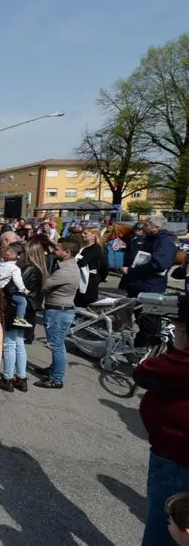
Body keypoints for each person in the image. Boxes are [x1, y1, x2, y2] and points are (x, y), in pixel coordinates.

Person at [133, 299, 189, 546]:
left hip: (178, 461)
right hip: (173, 456)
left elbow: (145, 371)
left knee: (165, 530)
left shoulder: (183, 363)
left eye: (178, 329)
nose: (175, 332)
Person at [0, 241, 46, 393]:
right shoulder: (40, 269)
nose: (20, 255)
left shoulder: (28, 269)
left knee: (11, 344)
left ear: (29, 253)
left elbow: (11, 288)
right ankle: (22, 378)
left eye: (22, 253)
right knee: (19, 344)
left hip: (16, 309)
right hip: (28, 310)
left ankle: (7, 378)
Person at [36, 241, 81, 389]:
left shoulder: (65, 271)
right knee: (57, 344)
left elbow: (44, 286)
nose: (54, 251)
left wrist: (41, 268)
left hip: (58, 311)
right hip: (60, 310)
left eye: (57, 249)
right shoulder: (67, 266)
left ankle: (56, 379)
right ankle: (54, 370)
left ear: (67, 252)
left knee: (57, 346)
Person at [122, 215, 178, 298]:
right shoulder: (150, 239)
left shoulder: (164, 241)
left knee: (143, 310)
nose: (143, 227)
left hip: (149, 286)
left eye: (146, 225)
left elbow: (159, 265)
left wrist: (132, 270)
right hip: (137, 284)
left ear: (156, 227)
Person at [0, 247, 32, 328]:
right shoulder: (15, 268)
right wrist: (23, 289)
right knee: (22, 301)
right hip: (8, 291)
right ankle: (19, 318)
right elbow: (17, 280)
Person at [74, 226, 107, 308]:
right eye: (82, 233)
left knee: (86, 302)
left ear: (94, 235)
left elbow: (82, 262)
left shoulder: (96, 248)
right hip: (80, 277)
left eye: (85, 233)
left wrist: (99, 278)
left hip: (90, 279)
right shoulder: (83, 247)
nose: (82, 235)